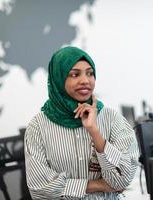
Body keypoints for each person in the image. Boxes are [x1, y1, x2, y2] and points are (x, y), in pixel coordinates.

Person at [24, 46, 139, 199]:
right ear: (58, 78)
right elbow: (40, 189)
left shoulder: (112, 119)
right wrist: (97, 185)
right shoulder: (38, 126)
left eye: (90, 74)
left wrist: (95, 132)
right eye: (74, 74)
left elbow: (122, 180)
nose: (85, 81)